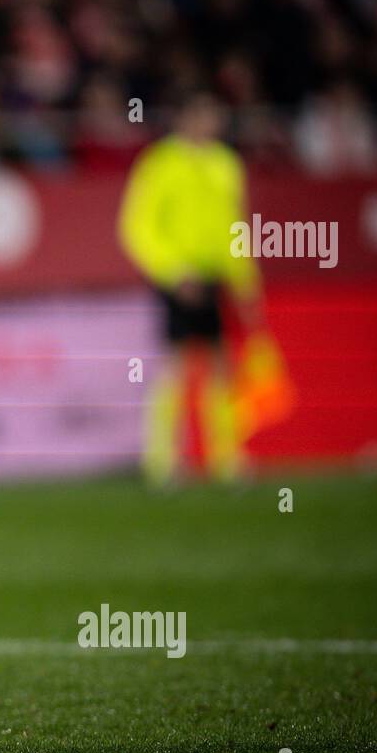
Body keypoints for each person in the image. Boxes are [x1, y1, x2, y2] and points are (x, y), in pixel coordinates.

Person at [118, 90, 261, 486]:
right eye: (203, 115)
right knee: (176, 365)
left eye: (215, 116)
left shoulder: (226, 164)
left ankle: (227, 460)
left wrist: (245, 282)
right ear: (184, 119)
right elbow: (137, 226)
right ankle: (162, 462)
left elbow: (235, 227)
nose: (210, 124)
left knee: (220, 366)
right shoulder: (161, 163)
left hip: (215, 276)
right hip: (177, 278)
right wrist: (173, 271)